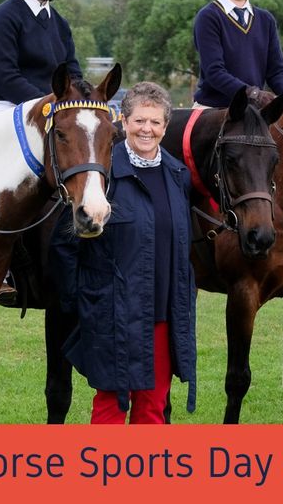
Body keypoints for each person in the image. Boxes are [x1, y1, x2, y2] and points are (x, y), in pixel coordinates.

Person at [52, 82, 197, 424]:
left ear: (165, 126)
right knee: (111, 408)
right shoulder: (101, 172)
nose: (147, 129)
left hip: (163, 315)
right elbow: (64, 245)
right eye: (139, 120)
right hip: (112, 315)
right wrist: (82, 304)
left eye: (156, 122)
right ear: (124, 122)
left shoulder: (178, 175)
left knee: (153, 406)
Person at [0, 0, 83, 306]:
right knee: (13, 183)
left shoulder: (59, 23)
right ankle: (5, 267)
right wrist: (48, 107)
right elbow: (6, 76)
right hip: (9, 110)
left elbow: (72, 73)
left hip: (51, 113)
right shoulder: (5, 17)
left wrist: (81, 103)